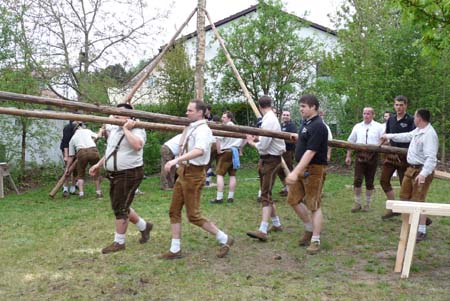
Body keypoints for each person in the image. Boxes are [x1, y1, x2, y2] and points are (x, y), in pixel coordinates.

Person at [160, 99, 234, 259]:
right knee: (174, 210)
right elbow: (183, 146)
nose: (186, 113)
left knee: (193, 215)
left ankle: (224, 238)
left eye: (190, 110)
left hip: (194, 174)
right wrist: (179, 160)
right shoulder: (192, 127)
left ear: (200, 113)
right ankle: (175, 249)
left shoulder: (203, 130)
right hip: (184, 172)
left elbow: (199, 150)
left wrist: (175, 160)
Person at [89, 103, 153, 254]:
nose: (116, 115)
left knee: (120, 207)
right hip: (117, 174)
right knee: (120, 204)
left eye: (119, 113)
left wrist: (126, 129)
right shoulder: (114, 128)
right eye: (115, 113)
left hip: (129, 173)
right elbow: (111, 151)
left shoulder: (137, 128)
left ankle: (119, 242)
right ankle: (144, 226)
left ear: (130, 116)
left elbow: (137, 145)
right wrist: (99, 164)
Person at [381, 109, 438, 242]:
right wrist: (388, 136)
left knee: (418, 201)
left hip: (421, 171)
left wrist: (423, 174)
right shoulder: (418, 131)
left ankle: (421, 230)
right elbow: (406, 136)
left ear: (420, 118)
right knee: (404, 197)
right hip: (411, 169)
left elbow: (431, 158)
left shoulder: (429, 134)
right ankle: (408, 226)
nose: (413, 119)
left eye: (415, 117)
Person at [285, 95, 328, 255]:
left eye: (303, 106)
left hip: (314, 169)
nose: (300, 109)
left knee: (313, 205)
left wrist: (295, 172)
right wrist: (298, 138)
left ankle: (315, 240)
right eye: (300, 106)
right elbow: (306, 141)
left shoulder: (319, 126)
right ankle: (309, 228)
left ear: (314, 107)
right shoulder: (306, 123)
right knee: (293, 200)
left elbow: (311, 152)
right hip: (302, 168)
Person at [246, 95, 286, 241]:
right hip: (267, 160)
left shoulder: (269, 120)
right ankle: (276, 224)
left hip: (271, 160)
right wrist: (256, 138)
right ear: (271, 104)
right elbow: (264, 140)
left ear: (260, 106)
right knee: (267, 193)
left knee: (265, 195)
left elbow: (263, 146)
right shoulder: (269, 119)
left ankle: (262, 230)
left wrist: (251, 142)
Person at [380, 96, 415, 219]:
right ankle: (394, 208)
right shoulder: (391, 120)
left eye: (401, 105)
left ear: (406, 105)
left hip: (405, 157)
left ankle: (412, 213)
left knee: (404, 185)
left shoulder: (411, 120)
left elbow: (412, 138)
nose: (398, 107)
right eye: (396, 105)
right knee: (383, 180)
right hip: (391, 156)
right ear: (394, 106)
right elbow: (388, 136)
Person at [345, 107, 384, 212]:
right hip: (360, 155)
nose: (366, 115)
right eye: (364, 113)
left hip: (373, 155)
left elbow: (384, 139)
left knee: (369, 181)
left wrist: (377, 148)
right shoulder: (357, 126)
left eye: (368, 114)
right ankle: (357, 203)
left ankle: (367, 204)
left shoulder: (379, 127)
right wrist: (348, 156)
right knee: (357, 179)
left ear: (373, 115)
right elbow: (350, 141)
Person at [210, 111, 245, 203]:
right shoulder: (238, 127)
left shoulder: (225, 127)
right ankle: (230, 197)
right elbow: (246, 137)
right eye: (222, 117)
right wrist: (240, 147)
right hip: (235, 152)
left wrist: (218, 151)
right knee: (232, 175)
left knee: (219, 174)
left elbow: (218, 139)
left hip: (226, 152)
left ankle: (219, 197)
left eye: (224, 117)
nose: (222, 119)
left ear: (229, 118)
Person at [66, 122, 102, 199]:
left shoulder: (72, 139)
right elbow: (98, 136)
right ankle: (98, 192)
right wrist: (100, 130)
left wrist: (67, 168)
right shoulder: (87, 131)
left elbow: (71, 156)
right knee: (96, 172)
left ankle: (81, 194)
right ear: (80, 127)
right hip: (93, 151)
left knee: (80, 174)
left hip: (81, 153)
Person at [277, 111, 297, 197]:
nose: (285, 116)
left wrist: (281, 140)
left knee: (288, 168)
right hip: (279, 150)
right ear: (281, 116)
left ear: (290, 117)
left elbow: (292, 139)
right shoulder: (280, 126)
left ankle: (293, 188)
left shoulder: (292, 126)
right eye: (284, 115)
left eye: (287, 115)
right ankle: (286, 186)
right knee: (279, 169)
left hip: (288, 151)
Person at [60, 121, 78, 197]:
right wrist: (66, 156)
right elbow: (66, 142)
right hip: (67, 149)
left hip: (77, 149)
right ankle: (65, 188)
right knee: (68, 168)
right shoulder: (68, 128)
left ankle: (73, 189)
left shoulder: (81, 128)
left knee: (76, 169)